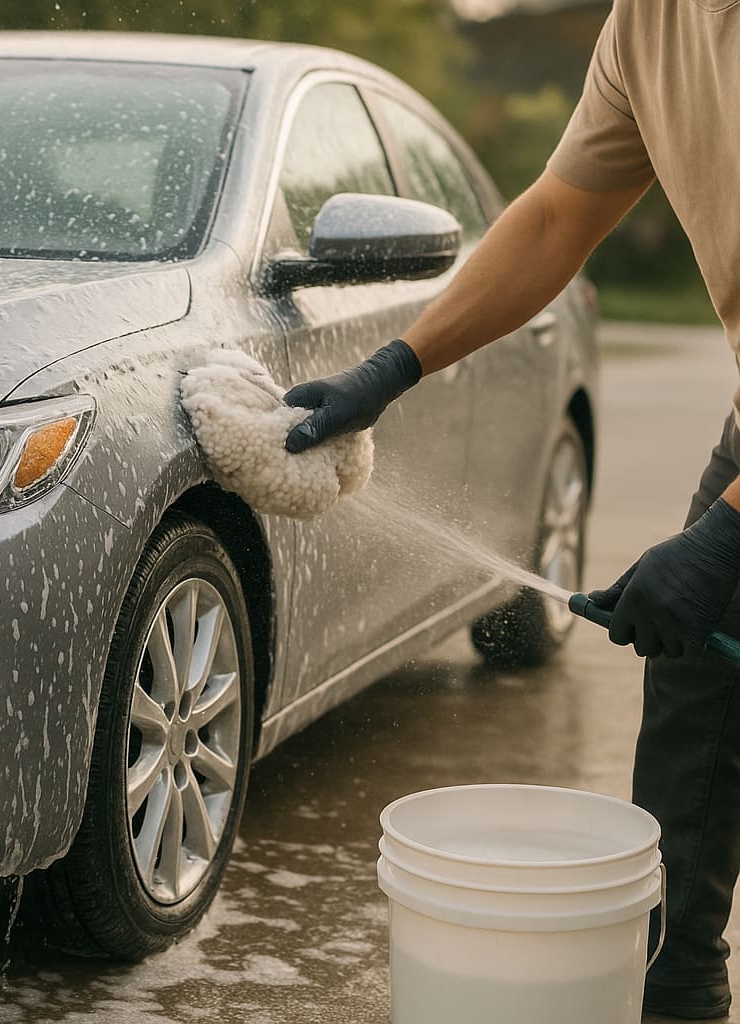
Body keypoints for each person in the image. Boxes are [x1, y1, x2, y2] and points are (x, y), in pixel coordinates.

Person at [283, 1, 740, 1018]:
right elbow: (554, 218)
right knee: (694, 711)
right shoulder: (649, 26)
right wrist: (392, 366)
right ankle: (675, 991)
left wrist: (729, 533)